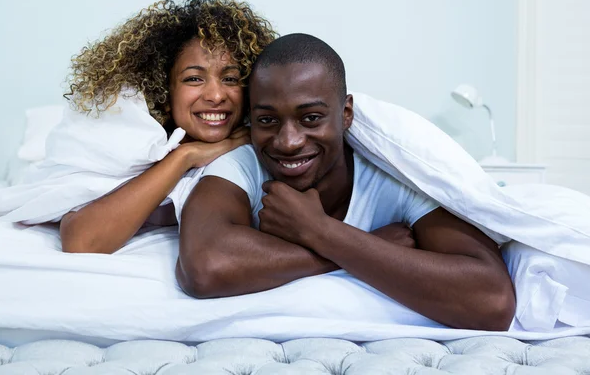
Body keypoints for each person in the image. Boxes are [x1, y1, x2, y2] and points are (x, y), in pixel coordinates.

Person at [176, 33, 516, 331]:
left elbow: (494, 302)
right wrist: (344, 244)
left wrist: (320, 231)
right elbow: (204, 269)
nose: (288, 140)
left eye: (311, 118)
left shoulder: (395, 176)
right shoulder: (242, 166)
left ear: (346, 114)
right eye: (267, 120)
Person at [59, 0, 277, 253]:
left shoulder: (263, 149)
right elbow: (81, 241)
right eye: (194, 79)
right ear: (164, 95)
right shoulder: (133, 144)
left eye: (230, 79)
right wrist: (185, 156)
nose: (216, 96)